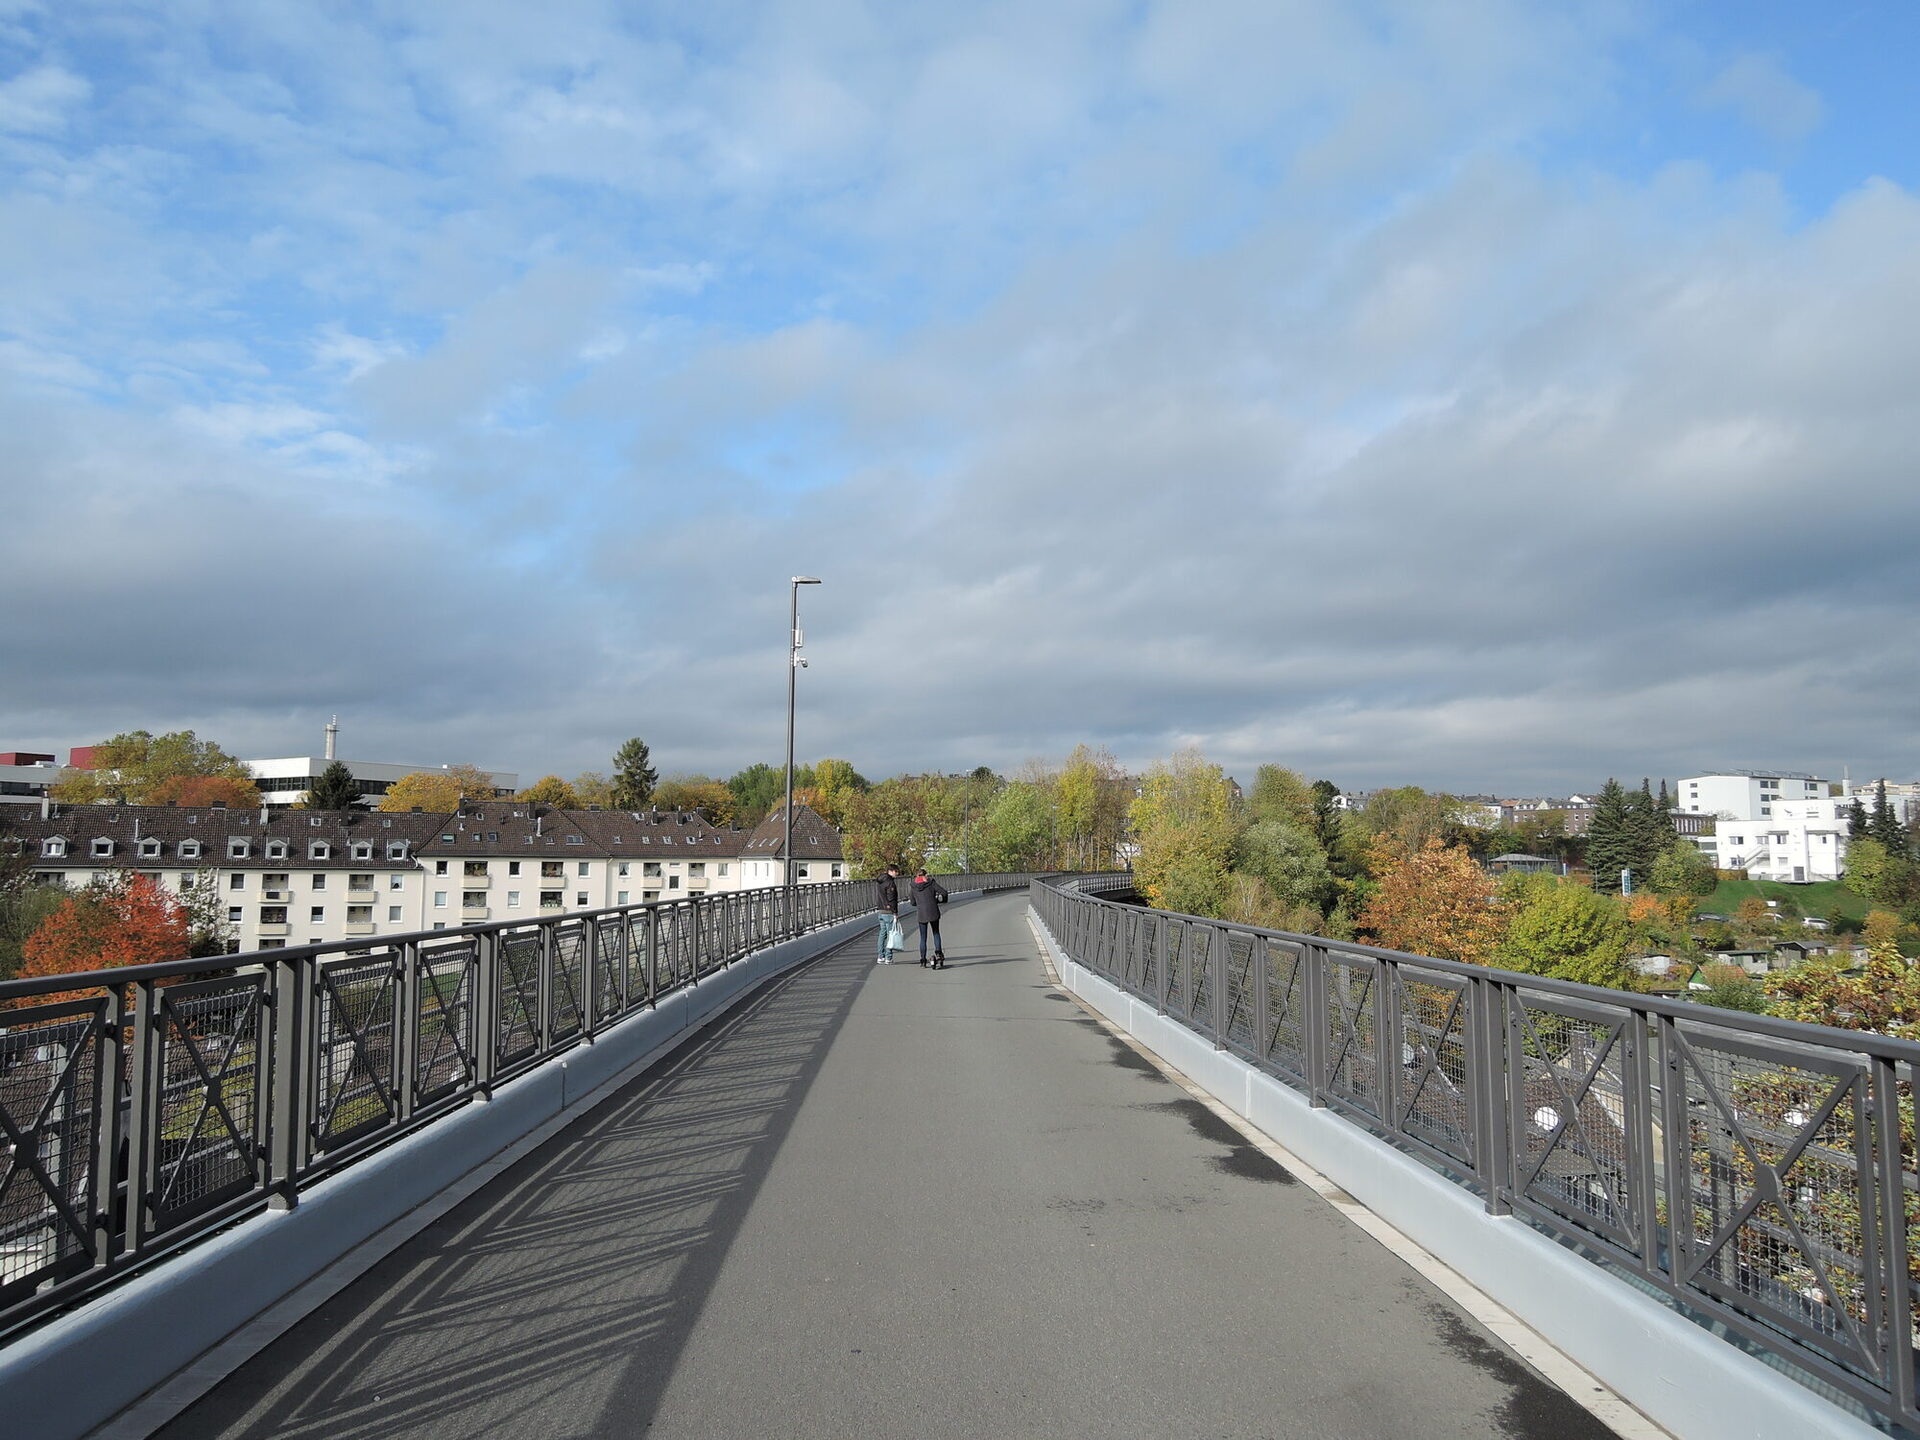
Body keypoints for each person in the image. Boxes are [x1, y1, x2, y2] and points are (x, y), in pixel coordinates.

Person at [910, 866, 949, 968]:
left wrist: (919, 903)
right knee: (936, 933)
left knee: (923, 937)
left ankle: (923, 960)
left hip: (921, 913)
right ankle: (938, 954)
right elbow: (944, 892)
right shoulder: (930, 882)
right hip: (933, 911)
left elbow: (912, 902)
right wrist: (942, 901)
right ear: (925, 875)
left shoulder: (913, 885)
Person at [874, 864, 901, 963]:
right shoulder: (890, 883)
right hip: (889, 911)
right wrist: (895, 912)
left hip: (881, 910)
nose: (897, 874)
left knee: (882, 933)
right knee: (891, 934)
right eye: (896, 871)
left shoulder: (880, 881)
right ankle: (888, 957)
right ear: (891, 871)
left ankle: (880, 956)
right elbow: (891, 898)